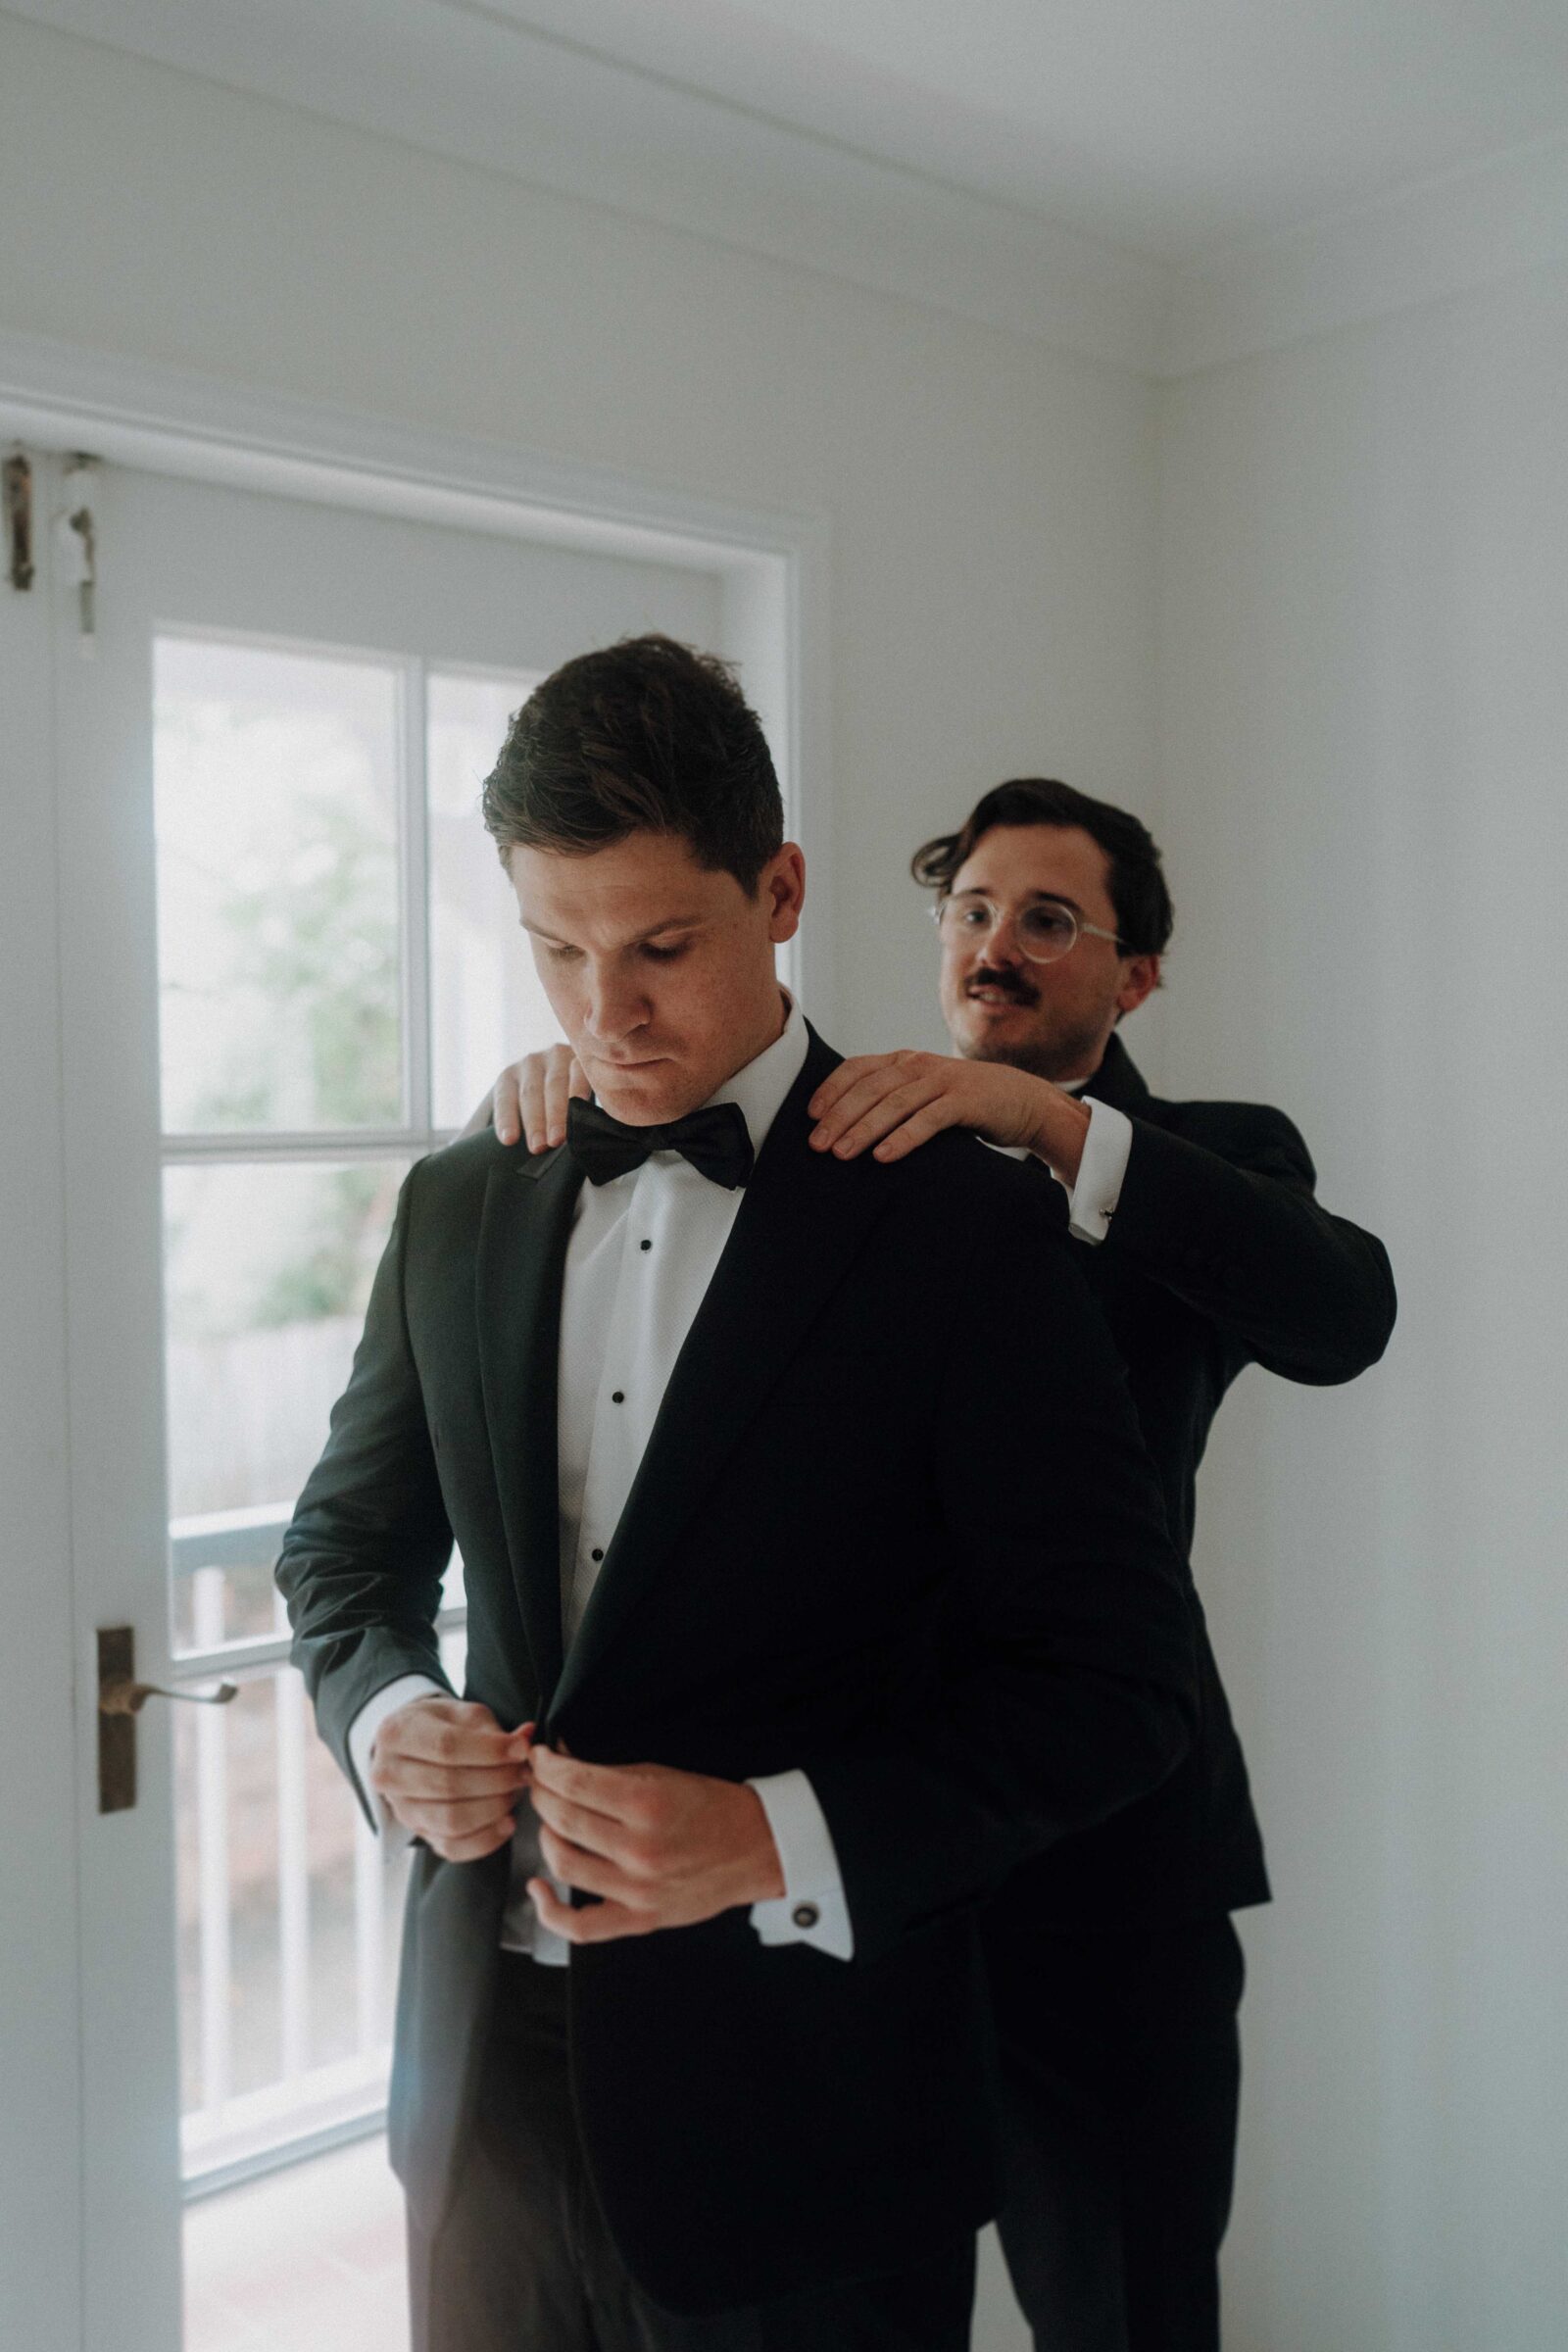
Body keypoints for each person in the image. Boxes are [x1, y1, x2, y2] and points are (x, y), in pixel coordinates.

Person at [277, 646, 1200, 2352]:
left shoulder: (964, 1232)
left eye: (657, 949)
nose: (600, 1014)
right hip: (483, 2095)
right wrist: (385, 1711)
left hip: (816, 2125)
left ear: (778, 893)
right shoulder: (466, 1198)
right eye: (554, 948)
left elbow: (1119, 1692)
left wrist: (785, 1832)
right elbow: (340, 1554)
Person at [476, 774, 1396, 2352]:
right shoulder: (830, 1165)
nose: (996, 947)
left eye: (1050, 919)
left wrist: (1048, 1130)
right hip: (842, 1896)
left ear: (1138, 974)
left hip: (1097, 1876)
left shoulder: (1208, 1162)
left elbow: (1344, 1318)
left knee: (1122, 2313)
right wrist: (592, 1088)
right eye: (971, 910)